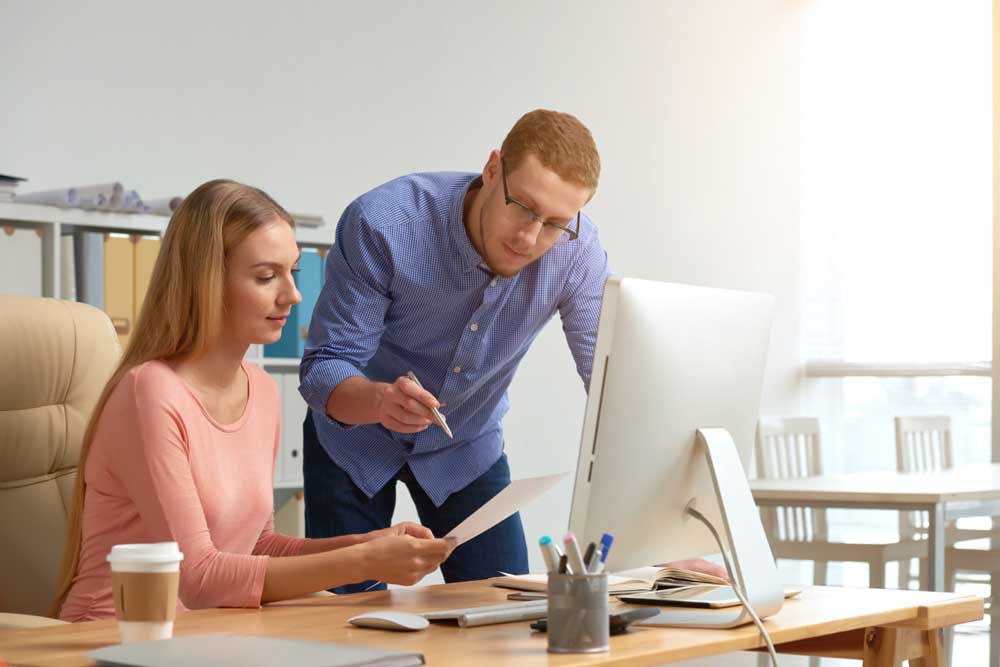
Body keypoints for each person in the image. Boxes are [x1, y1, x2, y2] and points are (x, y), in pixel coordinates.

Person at [299, 109, 727, 592]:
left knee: (506, 617)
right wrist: (379, 401)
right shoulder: (383, 222)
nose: (530, 238)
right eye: (523, 206)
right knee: (341, 625)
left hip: (466, 446)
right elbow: (323, 369)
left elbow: (614, 394)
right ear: (492, 169)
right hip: (353, 440)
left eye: (555, 223)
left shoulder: (576, 251)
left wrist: (665, 548)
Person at [54, 179, 453, 621]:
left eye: (293, 273)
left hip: (209, 635)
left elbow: (258, 546)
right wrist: (364, 563)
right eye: (266, 276)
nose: (293, 295)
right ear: (205, 281)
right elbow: (200, 578)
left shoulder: (261, 389)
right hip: (113, 637)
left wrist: (369, 544)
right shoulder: (150, 392)